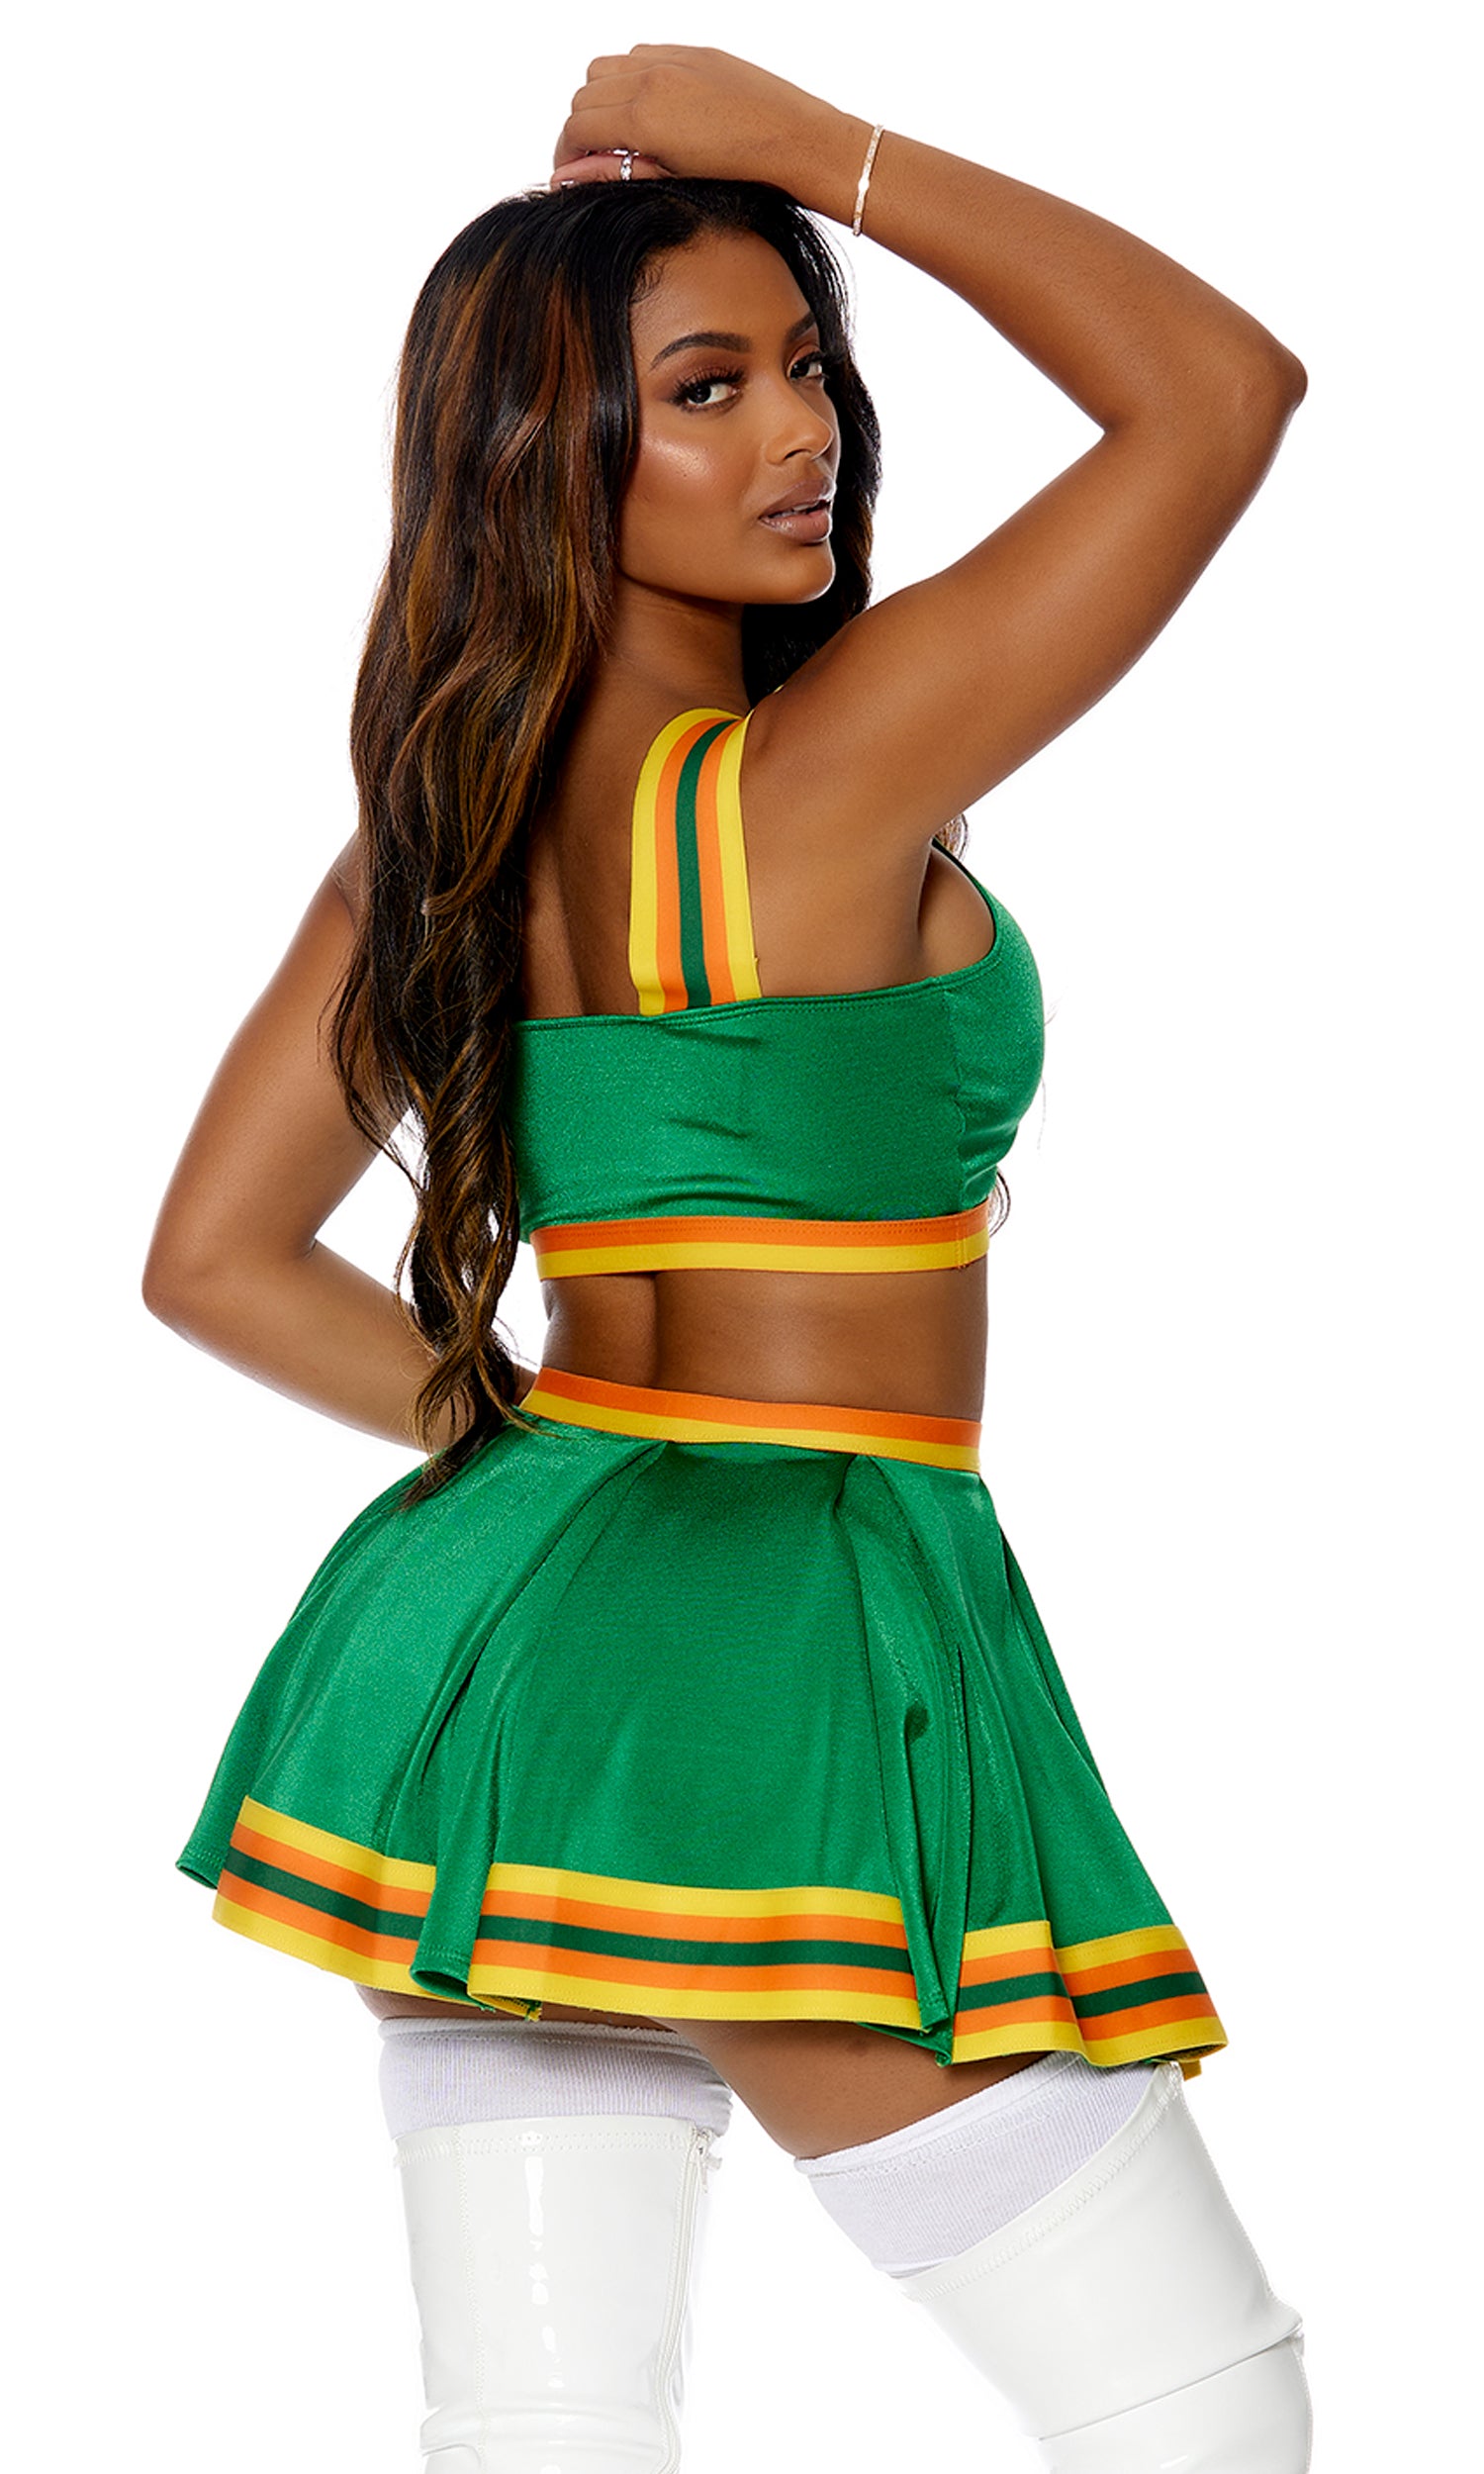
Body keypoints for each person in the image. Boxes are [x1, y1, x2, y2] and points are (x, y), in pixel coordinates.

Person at [143, 43, 1312, 2473]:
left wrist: (541, 1464)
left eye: (807, 363)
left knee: (546, 2426)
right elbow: (1216, 394)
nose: (803, 432)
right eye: (706, 386)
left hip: (491, 1663)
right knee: (1198, 2411)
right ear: (541, 451)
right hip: (783, 1641)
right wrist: (813, 149)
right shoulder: (825, 772)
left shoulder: (436, 839)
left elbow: (219, 1259)